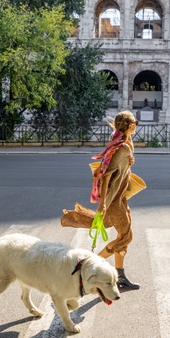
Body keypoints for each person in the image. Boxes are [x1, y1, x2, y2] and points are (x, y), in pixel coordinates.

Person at [61, 110, 141, 291]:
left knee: (123, 238)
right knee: (126, 236)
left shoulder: (121, 141)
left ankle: (120, 277)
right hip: (114, 202)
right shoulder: (122, 147)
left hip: (121, 199)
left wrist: (129, 163)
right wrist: (102, 204)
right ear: (129, 126)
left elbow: (119, 165)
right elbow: (105, 176)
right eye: (134, 123)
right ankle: (91, 266)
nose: (136, 126)